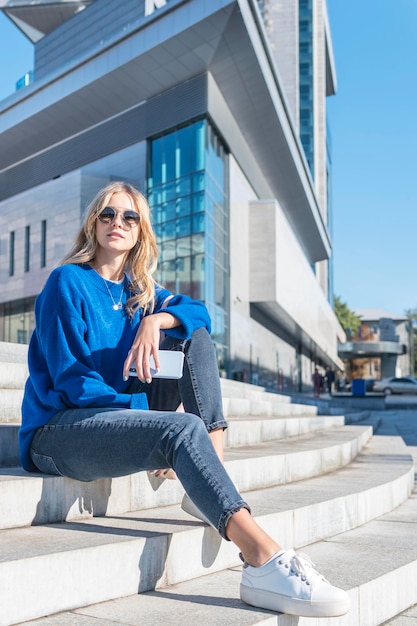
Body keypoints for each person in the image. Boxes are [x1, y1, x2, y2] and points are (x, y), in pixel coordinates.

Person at [19, 182, 350, 618]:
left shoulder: (142, 292)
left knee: (194, 337)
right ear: (93, 223)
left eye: (129, 217)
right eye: (108, 214)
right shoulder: (69, 281)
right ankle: (261, 559)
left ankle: (209, 480)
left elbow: (200, 314)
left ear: (140, 231)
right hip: (59, 429)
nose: (118, 223)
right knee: (179, 429)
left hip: (113, 411)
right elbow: (72, 380)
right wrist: (148, 421)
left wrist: (157, 319)